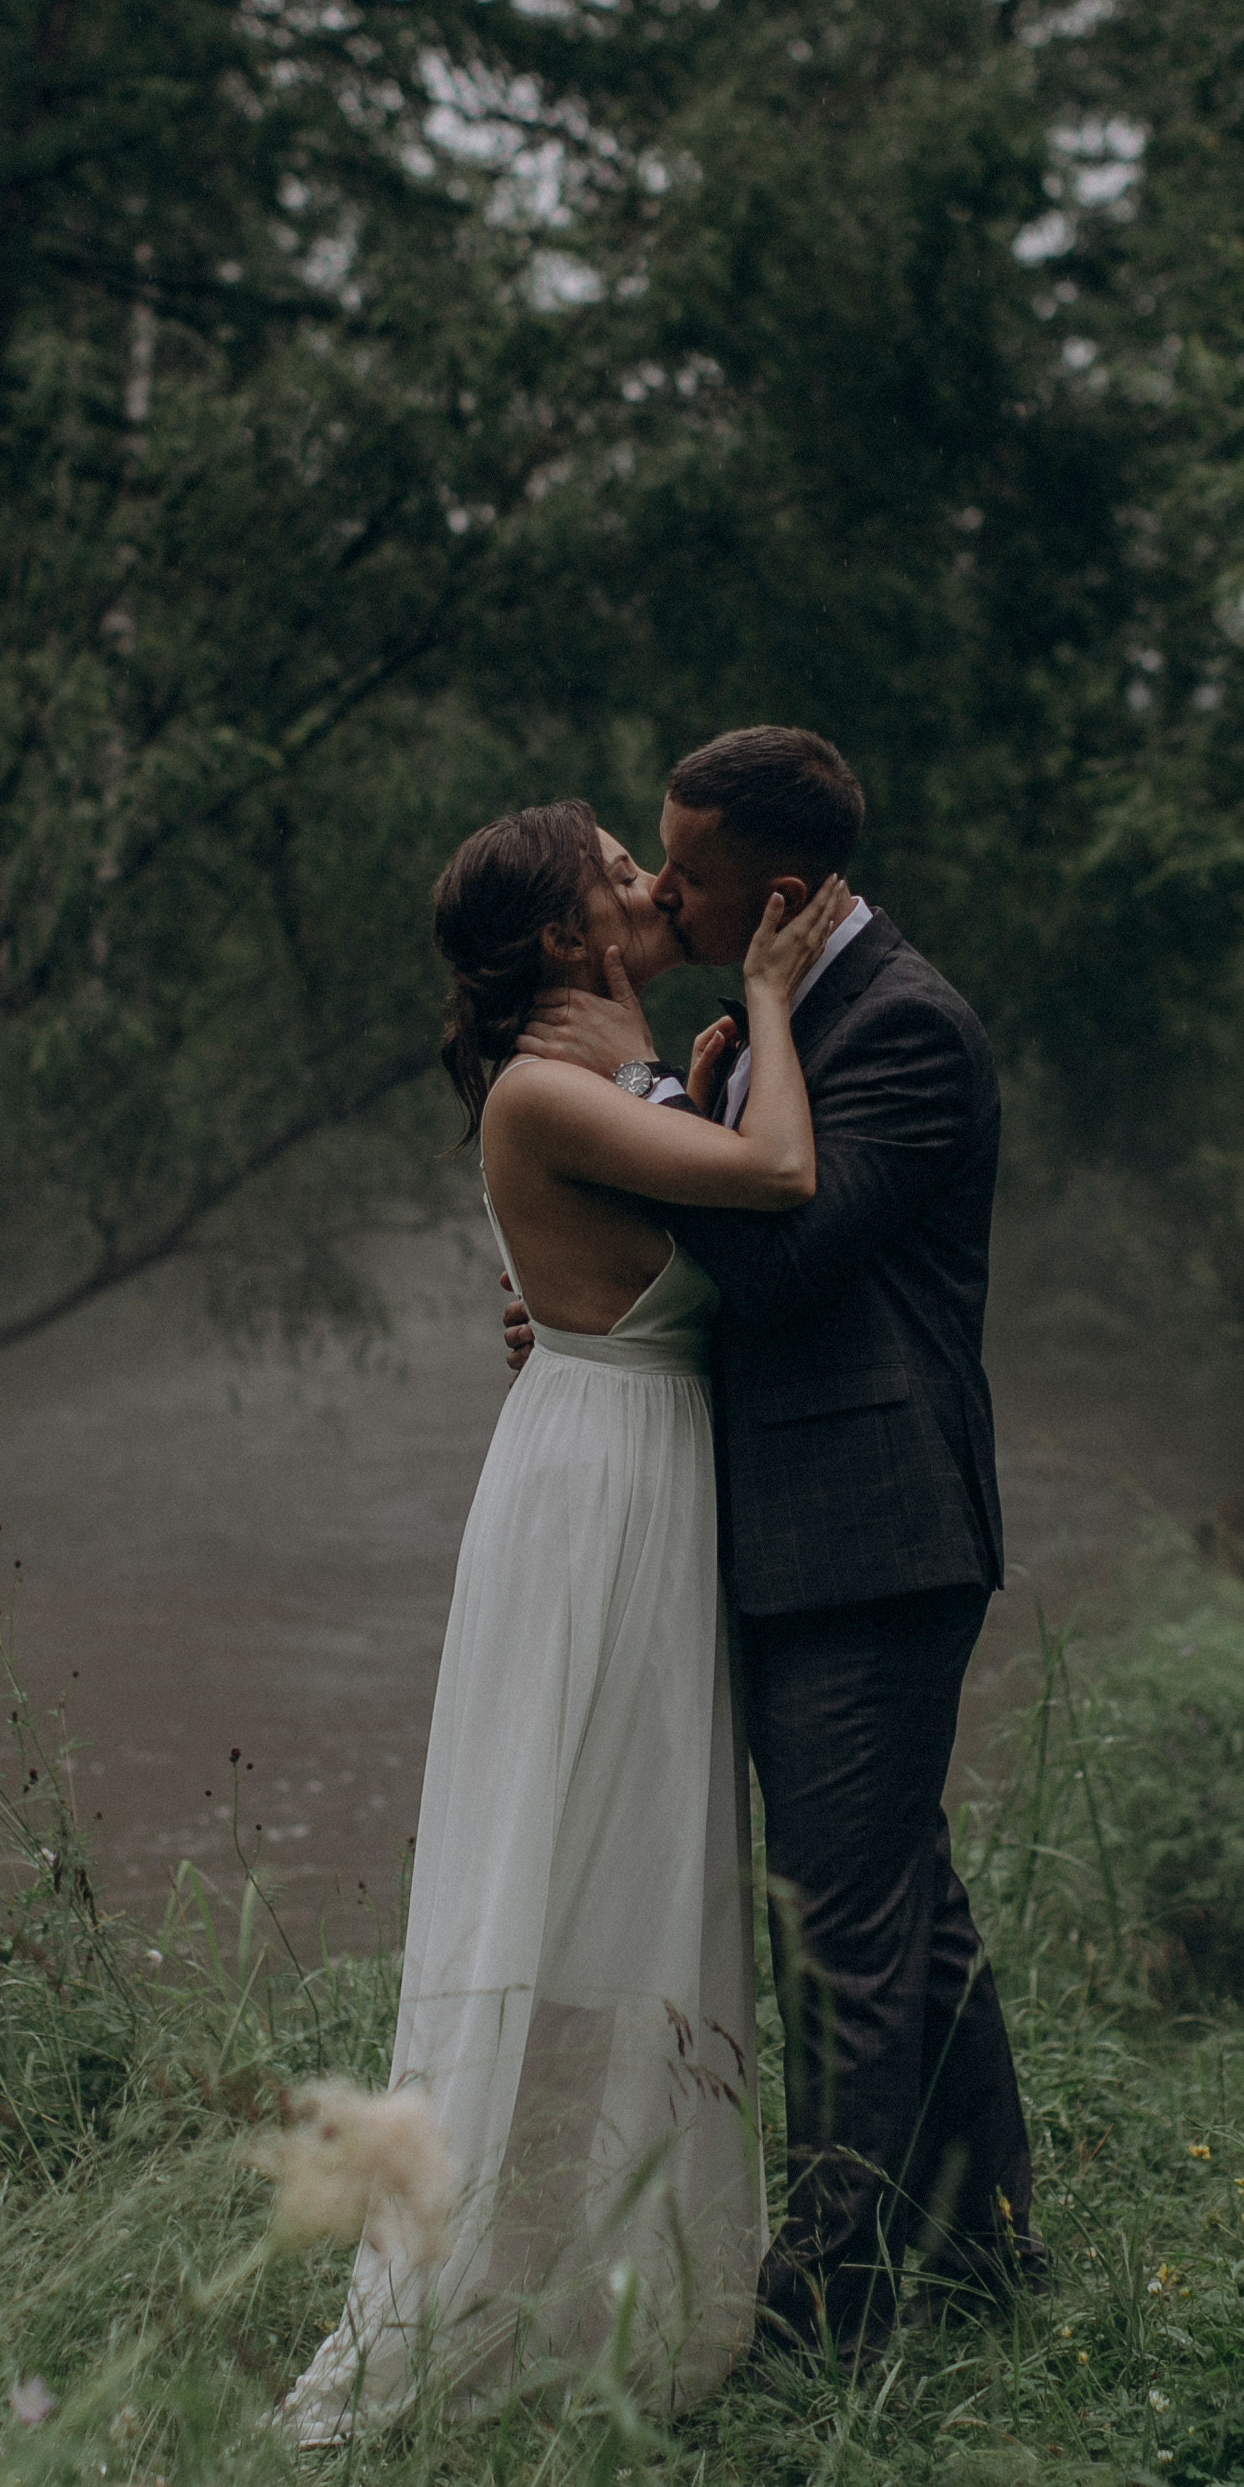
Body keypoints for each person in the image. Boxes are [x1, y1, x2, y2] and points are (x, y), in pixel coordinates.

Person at [278, 802, 852, 2442]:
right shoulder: (544, 1091)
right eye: (618, 869)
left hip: (643, 1464)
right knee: (558, 1868)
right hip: (594, 1492)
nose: (649, 883)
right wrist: (785, 1000)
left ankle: (608, 2291)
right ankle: (467, 2308)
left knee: (640, 1872)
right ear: (562, 939)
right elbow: (780, 1175)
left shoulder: (618, 1080)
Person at [514, 725, 1044, 2364]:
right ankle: (988, 2268)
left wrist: (620, 1154)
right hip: (792, 1535)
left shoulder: (901, 1032)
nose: (662, 891)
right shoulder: (766, 1029)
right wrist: (589, 1309)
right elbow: (726, 1257)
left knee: (841, 1937)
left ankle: (822, 2334)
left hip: (874, 1542)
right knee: (900, 1912)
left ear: (786, 895)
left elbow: (787, 1259)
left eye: (688, 872)